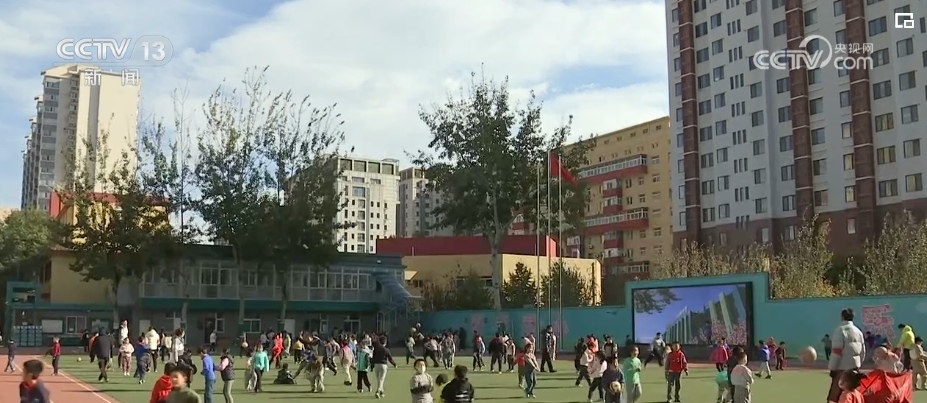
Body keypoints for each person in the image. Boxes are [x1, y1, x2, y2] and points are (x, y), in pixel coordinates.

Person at [827, 308, 865, 403]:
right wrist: (858, 364)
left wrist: (832, 368)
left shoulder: (840, 331)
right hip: (854, 369)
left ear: (842, 317)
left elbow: (836, 352)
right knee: (855, 397)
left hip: (842, 370)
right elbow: (862, 351)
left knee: (835, 398)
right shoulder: (858, 332)